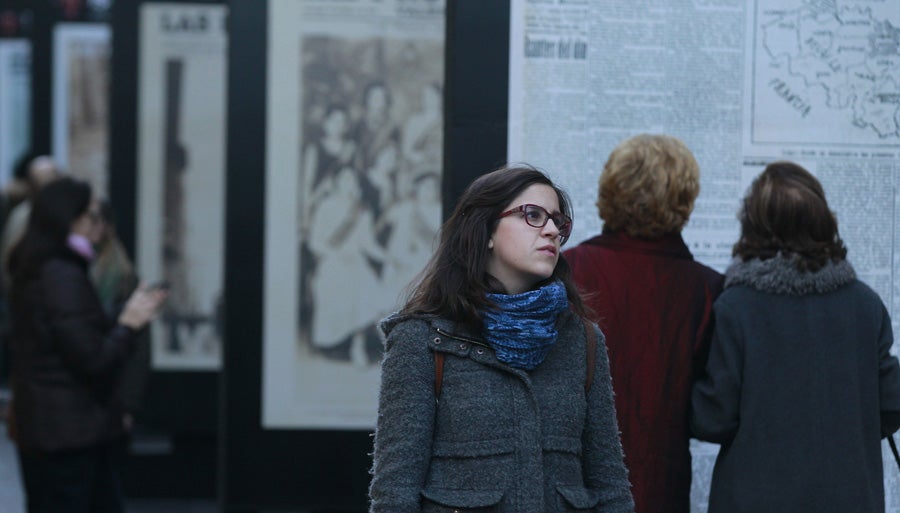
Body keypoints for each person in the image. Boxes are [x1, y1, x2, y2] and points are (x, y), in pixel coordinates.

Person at [368, 165, 634, 513]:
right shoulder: (422, 339)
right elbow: (395, 493)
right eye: (533, 215)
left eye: (558, 221)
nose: (552, 230)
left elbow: (609, 483)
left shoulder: (581, 339)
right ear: (486, 230)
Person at [690, 161, 900, 513]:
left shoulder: (736, 308)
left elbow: (714, 418)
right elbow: (892, 404)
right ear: (823, 222)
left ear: (753, 226)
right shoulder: (865, 304)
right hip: (851, 499)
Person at [563, 133, 723, 513]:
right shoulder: (707, 289)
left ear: (610, 188)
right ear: (685, 197)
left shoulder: (568, 270)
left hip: (572, 484)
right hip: (659, 487)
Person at [6, 177, 167, 513]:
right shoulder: (61, 275)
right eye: (90, 217)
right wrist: (128, 324)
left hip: (50, 426)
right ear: (71, 220)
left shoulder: (39, 268)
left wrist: (122, 314)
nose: (98, 227)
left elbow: (71, 333)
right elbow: (93, 359)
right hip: (69, 432)